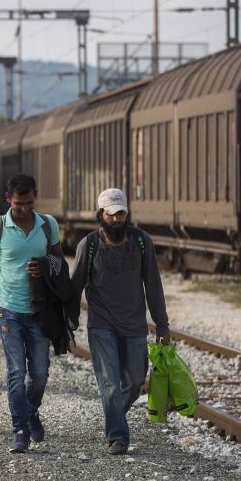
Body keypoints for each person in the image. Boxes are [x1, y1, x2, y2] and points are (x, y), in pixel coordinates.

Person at [71, 188, 170, 456]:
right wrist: (68, 323)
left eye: (121, 214)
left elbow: (153, 285)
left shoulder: (141, 242)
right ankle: (118, 436)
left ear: (127, 214)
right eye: (111, 214)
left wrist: (162, 324)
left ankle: (113, 415)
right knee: (110, 384)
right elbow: (74, 287)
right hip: (101, 325)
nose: (116, 219)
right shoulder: (89, 245)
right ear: (101, 214)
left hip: (134, 325)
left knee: (135, 382)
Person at [0, 174, 62, 453]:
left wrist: (44, 264)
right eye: (19, 204)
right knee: (17, 371)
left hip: (39, 310)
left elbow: (60, 263)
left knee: (40, 372)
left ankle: (30, 411)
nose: (24, 209)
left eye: (29, 203)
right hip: (8, 309)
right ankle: (20, 428)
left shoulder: (48, 225)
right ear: (8, 199)